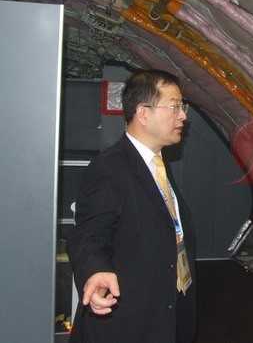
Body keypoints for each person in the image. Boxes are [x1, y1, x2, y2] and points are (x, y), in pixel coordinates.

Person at [68, 70, 197, 343]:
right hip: (128, 324)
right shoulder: (109, 168)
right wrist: (95, 270)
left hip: (165, 314)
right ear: (143, 113)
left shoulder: (157, 165)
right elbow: (89, 235)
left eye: (182, 107)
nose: (183, 116)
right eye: (174, 107)